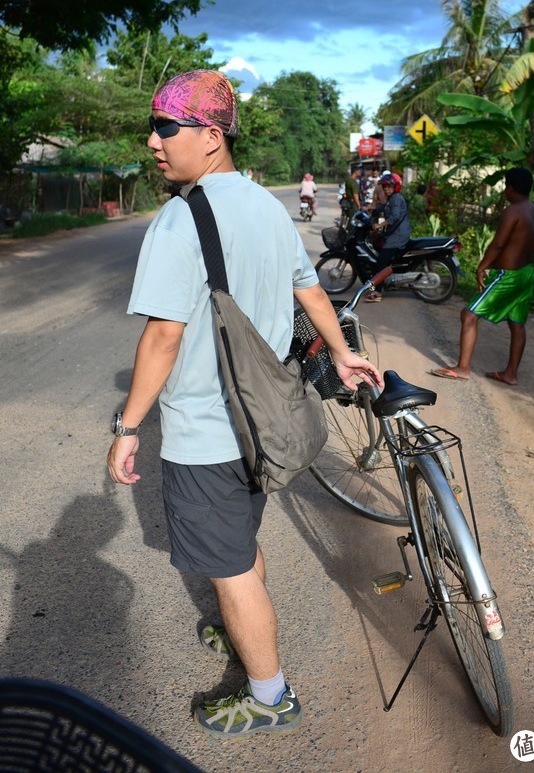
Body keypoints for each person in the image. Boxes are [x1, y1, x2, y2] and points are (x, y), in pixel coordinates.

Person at [106, 70, 382, 742]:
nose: (153, 142)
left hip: (209, 430)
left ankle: (270, 694)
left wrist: (128, 425)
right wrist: (341, 350)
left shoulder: (179, 219)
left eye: (165, 129)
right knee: (240, 540)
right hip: (262, 424)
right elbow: (307, 287)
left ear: (208, 135)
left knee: (229, 567)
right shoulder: (264, 206)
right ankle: (242, 622)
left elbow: (163, 337)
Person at [430, 166, 534, 385]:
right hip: (526, 274)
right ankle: (510, 374)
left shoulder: (514, 211)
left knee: (469, 315)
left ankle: (463, 368)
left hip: (508, 275)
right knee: (517, 324)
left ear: (510, 187)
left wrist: (482, 266)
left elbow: (499, 243)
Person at [365, 172, 411, 303]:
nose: (386, 189)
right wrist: (371, 208)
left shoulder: (396, 198)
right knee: (377, 245)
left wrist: (380, 225)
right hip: (395, 233)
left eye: (389, 186)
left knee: (381, 262)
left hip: (398, 235)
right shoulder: (393, 198)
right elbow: (384, 207)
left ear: (395, 186)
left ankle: (378, 292)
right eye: (385, 186)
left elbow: (395, 216)